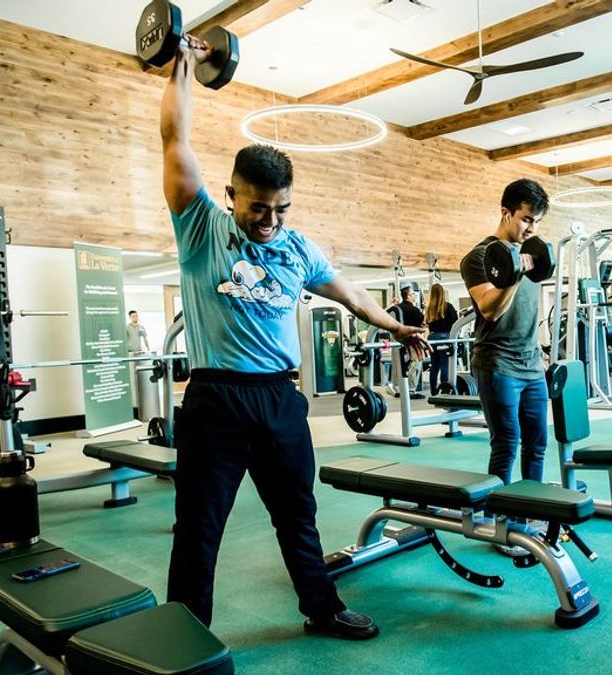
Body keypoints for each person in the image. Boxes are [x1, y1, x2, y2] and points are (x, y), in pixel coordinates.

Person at [160, 34, 428, 639]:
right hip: (216, 399)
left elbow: (351, 294)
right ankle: (182, 634)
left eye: (281, 208)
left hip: (281, 400)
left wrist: (395, 323)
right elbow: (175, 140)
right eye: (258, 207)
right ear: (232, 196)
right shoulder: (201, 227)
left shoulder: (297, 245)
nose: (271, 220)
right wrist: (182, 65)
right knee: (200, 525)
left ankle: (322, 609)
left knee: (297, 515)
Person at [459, 179, 549, 555]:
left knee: (538, 443)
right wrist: (513, 275)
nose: (532, 229)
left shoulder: (530, 256)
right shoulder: (479, 257)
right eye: (527, 219)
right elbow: (490, 309)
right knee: (506, 444)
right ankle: (506, 525)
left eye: (538, 222)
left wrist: (542, 351)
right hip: (497, 363)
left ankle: (534, 512)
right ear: (506, 212)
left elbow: (531, 312)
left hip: (532, 364)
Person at [424, 283, 459, 394]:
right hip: (445, 337)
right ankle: (444, 390)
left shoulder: (429, 309)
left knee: (434, 366)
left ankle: (433, 392)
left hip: (432, 338)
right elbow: (456, 322)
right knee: (445, 365)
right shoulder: (448, 307)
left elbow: (427, 323)